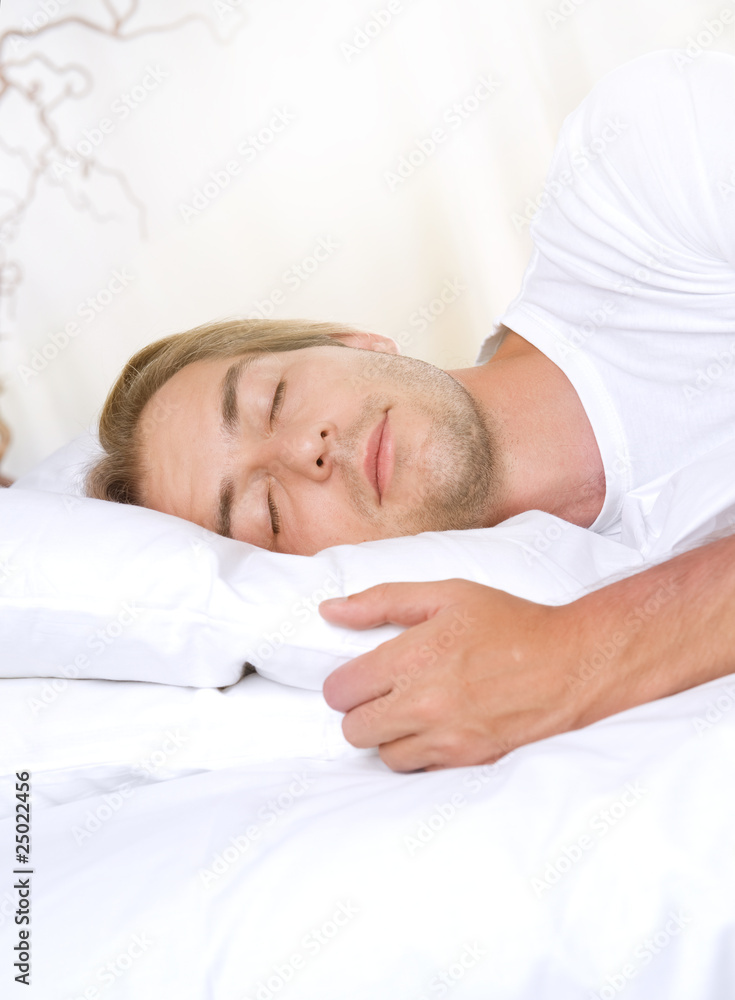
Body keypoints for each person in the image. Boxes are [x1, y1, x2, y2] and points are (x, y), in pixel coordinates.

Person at [86, 49, 735, 771]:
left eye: (275, 400)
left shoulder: (637, 166)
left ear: (354, 341)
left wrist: (582, 655)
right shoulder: (551, 580)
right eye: (265, 513)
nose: (307, 453)